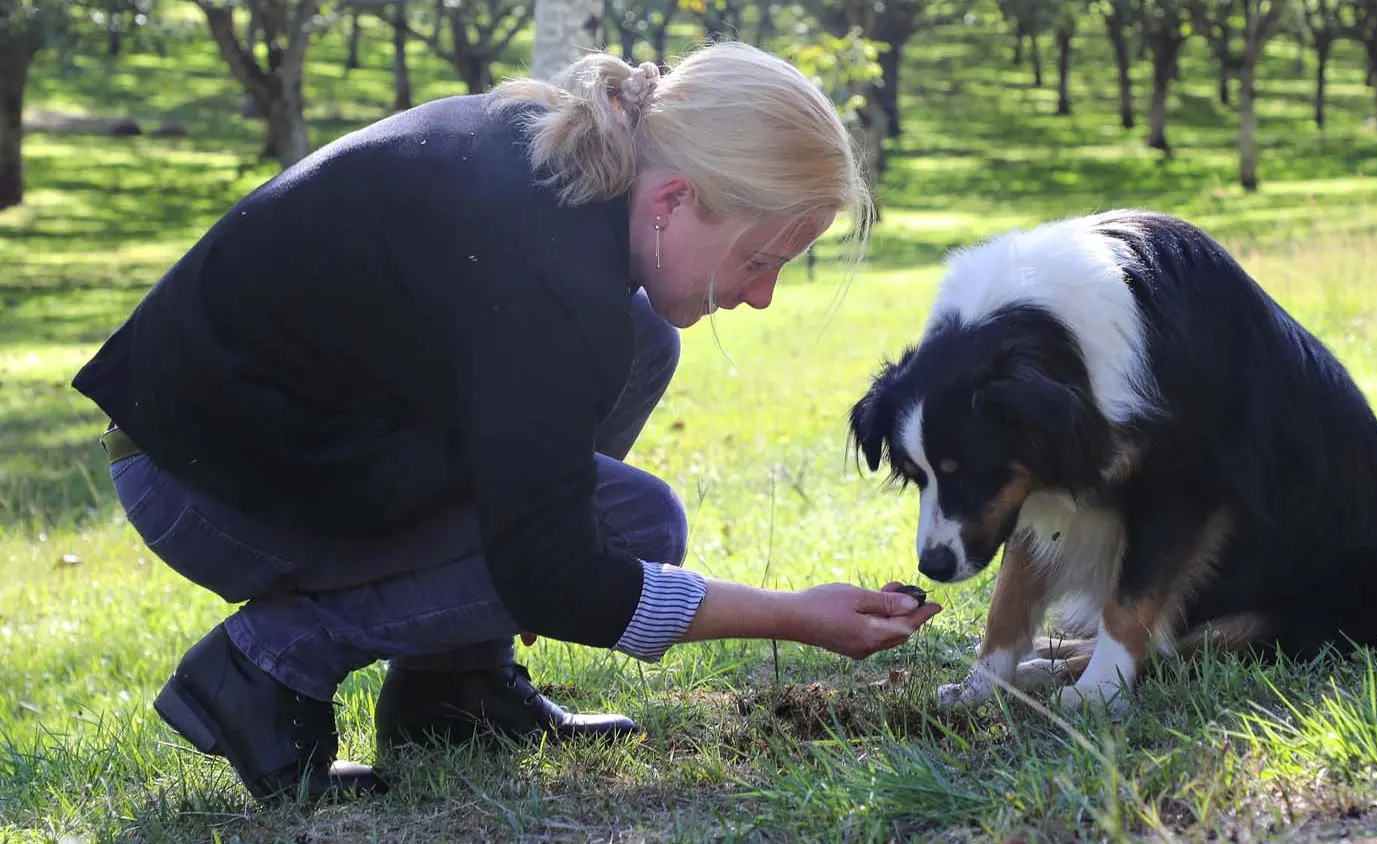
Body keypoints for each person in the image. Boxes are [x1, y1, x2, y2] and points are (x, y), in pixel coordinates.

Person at [70, 40, 944, 805]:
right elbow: (558, 578)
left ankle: (454, 688)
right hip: (201, 487)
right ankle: (264, 664)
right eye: (761, 259)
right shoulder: (551, 284)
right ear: (673, 200)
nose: (760, 296)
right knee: (634, 524)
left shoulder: (556, 171)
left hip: (247, 438)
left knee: (645, 344)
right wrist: (796, 615)